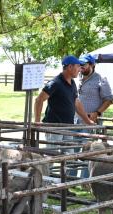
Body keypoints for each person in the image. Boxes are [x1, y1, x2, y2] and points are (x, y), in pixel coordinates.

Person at [34, 55, 94, 188]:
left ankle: (63, 187)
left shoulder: (72, 83)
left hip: (67, 127)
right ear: (70, 67)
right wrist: (37, 122)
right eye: (78, 66)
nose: (80, 69)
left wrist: (87, 120)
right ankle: (46, 186)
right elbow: (39, 100)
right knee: (52, 156)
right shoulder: (55, 83)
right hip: (54, 126)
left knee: (69, 156)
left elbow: (76, 102)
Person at [73, 54, 113, 178]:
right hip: (75, 120)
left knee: (89, 150)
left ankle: (85, 180)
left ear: (92, 65)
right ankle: (71, 178)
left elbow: (109, 100)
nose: (81, 67)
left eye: (84, 65)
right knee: (73, 149)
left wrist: (98, 113)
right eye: (79, 65)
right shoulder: (77, 78)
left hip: (91, 121)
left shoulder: (101, 79)